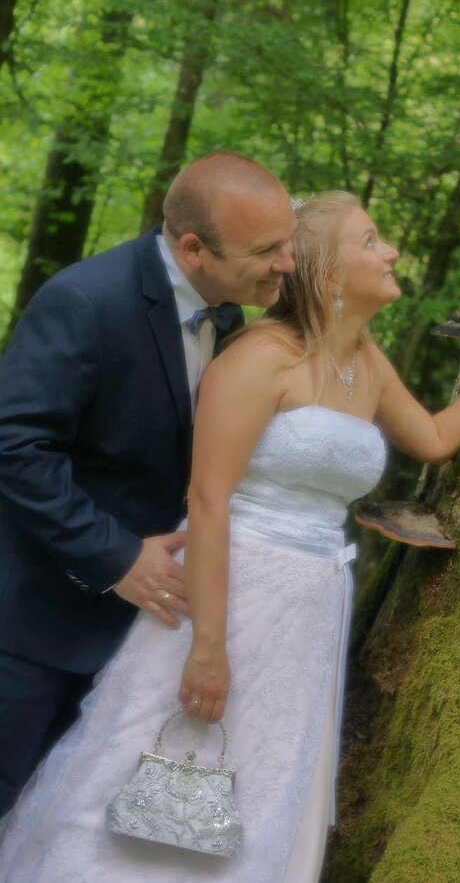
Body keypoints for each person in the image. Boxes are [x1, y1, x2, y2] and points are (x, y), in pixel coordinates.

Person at [0, 192, 460, 881]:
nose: (391, 252)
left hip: (311, 607)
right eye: (371, 241)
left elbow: (436, 438)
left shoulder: (367, 361)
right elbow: (208, 499)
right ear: (326, 271)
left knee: (262, 780)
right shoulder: (260, 355)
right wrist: (207, 646)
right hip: (230, 593)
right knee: (166, 768)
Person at [0, 151, 296, 818]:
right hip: (35, 626)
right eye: (266, 250)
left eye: (289, 241)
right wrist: (115, 557)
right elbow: (16, 447)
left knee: (50, 822)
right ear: (194, 249)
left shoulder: (230, 313)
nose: (287, 263)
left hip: (142, 643)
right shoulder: (85, 300)